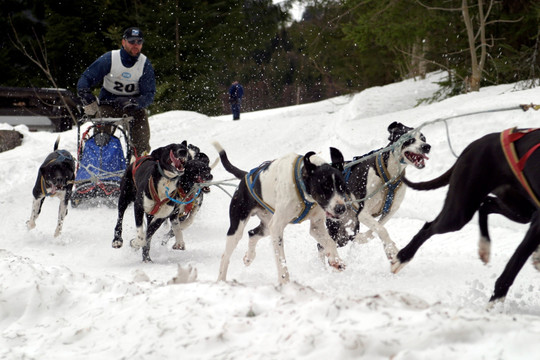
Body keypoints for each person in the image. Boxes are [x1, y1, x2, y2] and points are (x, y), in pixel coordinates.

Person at [77, 27, 156, 156]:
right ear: (123, 42)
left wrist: (135, 102)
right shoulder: (110, 58)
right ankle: (98, 162)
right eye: (132, 42)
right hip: (109, 104)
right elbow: (86, 77)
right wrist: (85, 93)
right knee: (101, 137)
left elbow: (149, 94)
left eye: (139, 42)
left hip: (133, 106)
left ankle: (138, 165)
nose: (135, 45)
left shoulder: (144, 64)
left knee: (142, 142)